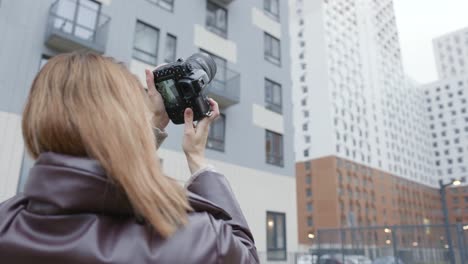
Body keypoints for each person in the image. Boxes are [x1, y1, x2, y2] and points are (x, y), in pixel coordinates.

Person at [0, 52, 259, 264]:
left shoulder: (7, 222)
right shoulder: (192, 237)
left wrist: (155, 124)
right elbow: (243, 255)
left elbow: (104, 175)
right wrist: (197, 159)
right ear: (125, 120)